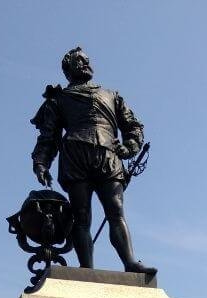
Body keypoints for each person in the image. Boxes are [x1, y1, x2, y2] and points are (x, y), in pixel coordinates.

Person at [31, 47, 156, 275]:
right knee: (82, 216)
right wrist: (41, 162)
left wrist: (129, 147)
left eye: (87, 60)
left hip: (108, 156)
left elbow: (134, 127)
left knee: (116, 210)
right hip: (76, 157)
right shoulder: (58, 99)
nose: (85, 64)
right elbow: (48, 136)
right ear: (68, 70)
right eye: (79, 61)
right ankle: (87, 269)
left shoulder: (111, 95)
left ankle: (130, 262)